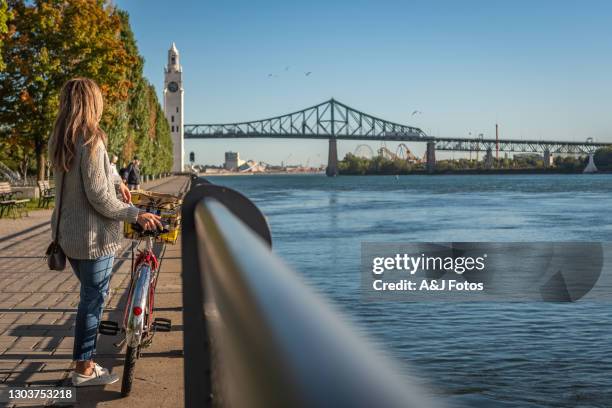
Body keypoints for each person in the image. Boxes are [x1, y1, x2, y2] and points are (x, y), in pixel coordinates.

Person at [48, 78, 162, 387]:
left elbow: (94, 176)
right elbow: (99, 197)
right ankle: (84, 369)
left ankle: (82, 360)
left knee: (89, 297)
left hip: (66, 236)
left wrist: (116, 180)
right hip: (93, 238)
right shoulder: (92, 138)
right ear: (92, 103)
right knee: (93, 301)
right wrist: (136, 213)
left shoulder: (61, 137)